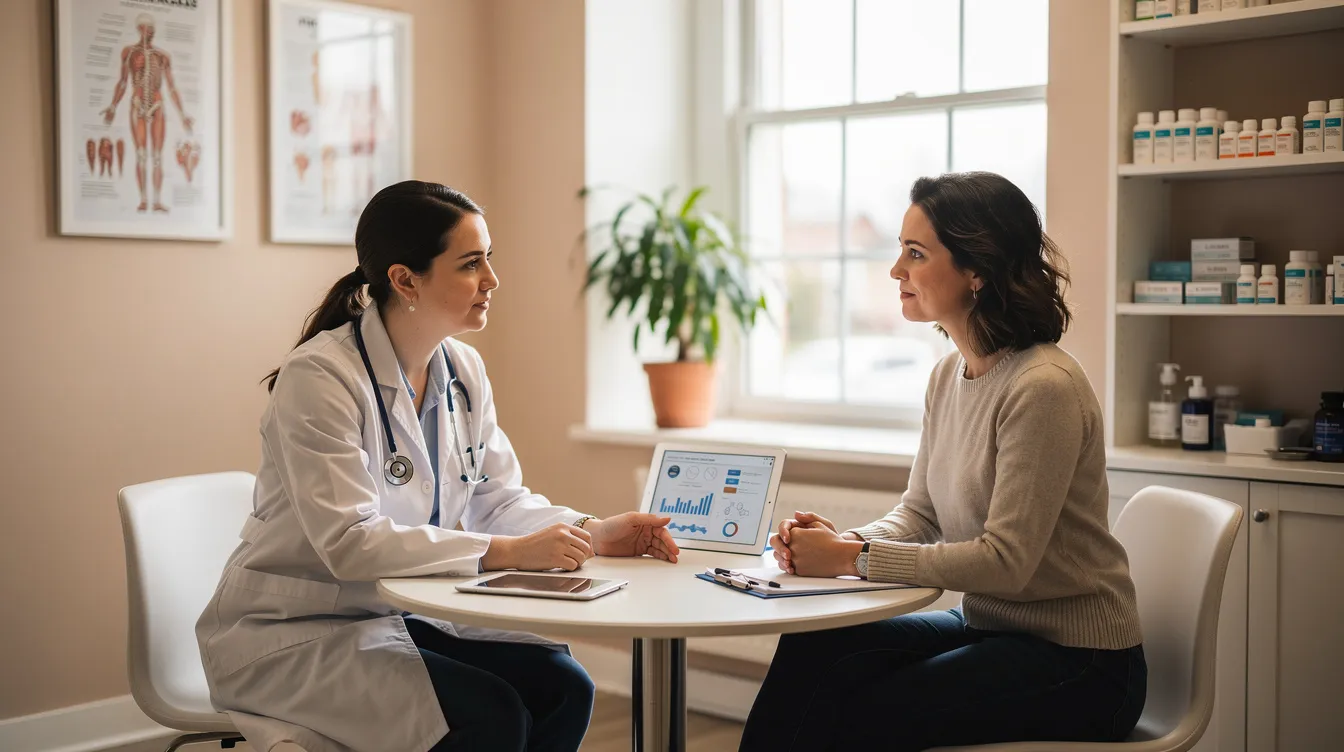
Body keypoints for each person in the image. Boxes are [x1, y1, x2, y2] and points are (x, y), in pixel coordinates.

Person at [196, 180, 680, 752]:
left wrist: (592, 532)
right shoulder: (321, 378)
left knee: (563, 687)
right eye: (471, 264)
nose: (492, 281)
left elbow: (496, 500)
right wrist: (507, 553)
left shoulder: (462, 370)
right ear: (405, 279)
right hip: (293, 628)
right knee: (488, 715)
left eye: (488, 261)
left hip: (389, 614)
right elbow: (349, 542)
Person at [739, 172, 1147, 751]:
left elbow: (1006, 564)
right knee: (818, 648)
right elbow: (920, 513)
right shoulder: (947, 374)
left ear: (977, 269)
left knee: (876, 710)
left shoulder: (1043, 387)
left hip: (1083, 662)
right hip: (992, 629)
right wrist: (843, 542)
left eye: (915, 253)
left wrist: (854, 559)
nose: (895, 271)